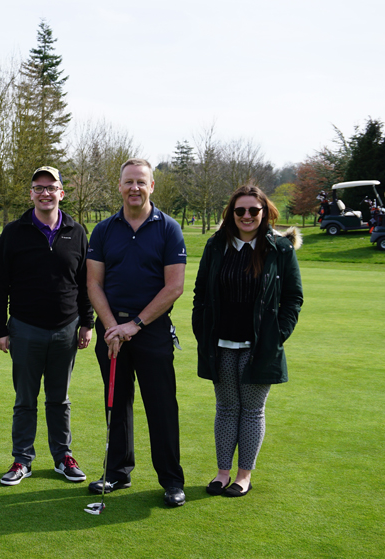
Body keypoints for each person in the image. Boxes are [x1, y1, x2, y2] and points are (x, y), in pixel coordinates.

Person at [86, 157, 188, 507]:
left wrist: (135, 324)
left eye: (141, 182)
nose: (134, 188)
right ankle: (117, 471)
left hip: (152, 332)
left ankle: (172, 480)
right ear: (119, 186)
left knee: (161, 407)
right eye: (128, 182)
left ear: (152, 186)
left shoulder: (168, 228)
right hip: (113, 333)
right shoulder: (103, 230)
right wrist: (112, 325)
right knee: (117, 402)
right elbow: (93, 283)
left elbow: (174, 287)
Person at [192, 184, 303, 497]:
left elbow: (293, 297)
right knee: (226, 408)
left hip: (259, 348)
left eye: (254, 210)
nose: (247, 216)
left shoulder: (280, 248)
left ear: (264, 212)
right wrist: (202, 330)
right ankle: (222, 472)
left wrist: (277, 335)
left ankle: (243, 475)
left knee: (252, 410)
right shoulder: (217, 246)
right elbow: (201, 293)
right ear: (231, 213)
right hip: (221, 345)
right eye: (240, 210)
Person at [0, 165, 93, 486]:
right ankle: (22, 459)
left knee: (59, 399)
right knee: (25, 399)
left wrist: (87, 323)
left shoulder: (77, 231)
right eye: (39, 187)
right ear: (31, 193)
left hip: (66, 329)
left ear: (62, 193)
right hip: (24, 328)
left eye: (51, 187)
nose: (45, 193)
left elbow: (86, 282)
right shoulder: (13, 231)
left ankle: (62, 456)